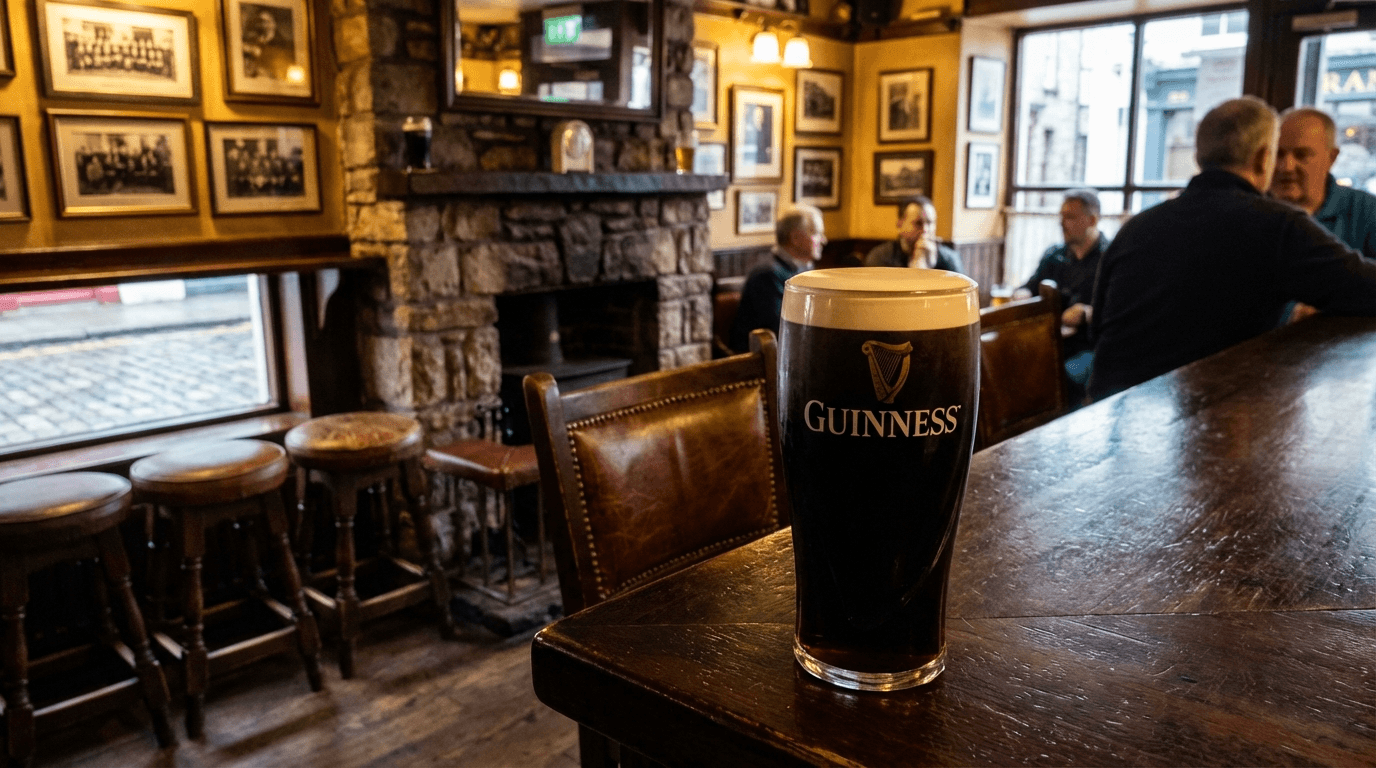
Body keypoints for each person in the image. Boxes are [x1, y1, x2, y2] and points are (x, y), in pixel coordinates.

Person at [1087, 96, 1376, 401]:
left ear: (1199, 158)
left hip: (1104, 412)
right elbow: (1367, 288)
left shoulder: (1136, 227)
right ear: (1264, 157)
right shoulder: (1276, 226)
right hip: (1194, 416)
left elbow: (1098, 331)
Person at [1014, 189, 1108, 404]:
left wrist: (1086, 313)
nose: (1062, 222)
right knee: (1013, 367)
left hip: (1090, 348)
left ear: (1092, 220)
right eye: (1061, 216)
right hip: (1050, 342)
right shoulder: (1054, 254)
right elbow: (1030, 286)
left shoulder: (1109, 256)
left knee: (1062, 378)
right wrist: (1022, 294)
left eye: (1070, 217)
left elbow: (1118, 309)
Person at [1270, 107, 1376, 261]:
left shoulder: (1366, 212)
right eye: (1278, 154)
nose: (1286, 166)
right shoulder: (1251, 210)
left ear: (1331, 158)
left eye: (1301, 155)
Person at [729, 204, 825, 354]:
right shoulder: (767, 274)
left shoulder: (804, 269)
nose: (824, 240)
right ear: (795, 238)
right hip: (759, 361)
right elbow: (780, 330)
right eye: (817, 233)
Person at [863, 196, 963, 272]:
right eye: (918, 223)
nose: (925, 230)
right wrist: (919, 264)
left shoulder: (949, 258)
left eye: (930, 223)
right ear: (900, 225)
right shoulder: (880, 257)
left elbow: (965, 294)